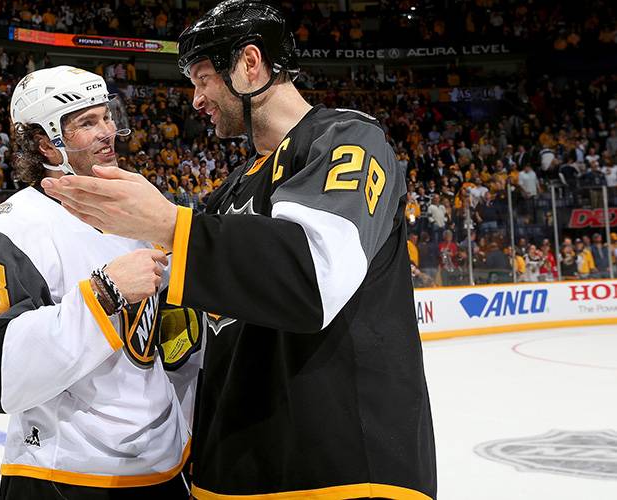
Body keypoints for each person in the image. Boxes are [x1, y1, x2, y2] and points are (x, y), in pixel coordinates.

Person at [42, 2, 436, 498]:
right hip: (233, 474)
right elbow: (193, 328)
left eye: (203, 78)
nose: (195, 100)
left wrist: (167, 223)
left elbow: (312, 279)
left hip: (342, 473)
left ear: (250, 64)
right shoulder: (231, 190)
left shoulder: (345, 138)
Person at [0, 66, 196, 499]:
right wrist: (104, 293)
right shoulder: (13, 227)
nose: (108, 133)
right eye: (87, 123)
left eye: (106, 116)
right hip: (65, 476)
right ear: (45, 143)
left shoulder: (138, 207)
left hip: (163, 466)